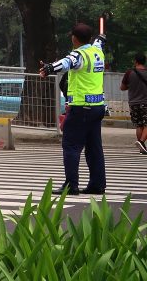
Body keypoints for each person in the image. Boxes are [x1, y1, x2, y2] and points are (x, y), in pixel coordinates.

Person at [40, 23, 107, 196]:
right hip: (97, 107)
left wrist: (49, 68)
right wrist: (101, 37)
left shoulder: (79, 54)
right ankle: (97, 185)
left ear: (74, 38)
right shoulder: (97, 51)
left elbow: (67, 62)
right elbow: (100, 42)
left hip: (81, 108)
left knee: (71, 146)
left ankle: (71, 185)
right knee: (94, 147)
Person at [120, 52, 147, 154]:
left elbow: (122, 88)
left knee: (139, 125)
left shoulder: (129, 73)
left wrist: (131, 86)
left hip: (133, 103)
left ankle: (141, 147)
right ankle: (141, 142)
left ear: (135, 61)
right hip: (145, 102)